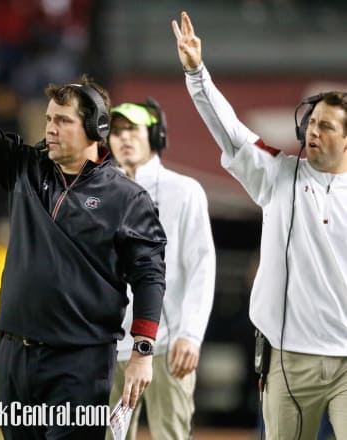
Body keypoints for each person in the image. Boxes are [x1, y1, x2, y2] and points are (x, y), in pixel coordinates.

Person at [0, 16, 167, 440]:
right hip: (15, 351)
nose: (50, 127)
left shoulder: (127, 198)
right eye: (49, 118)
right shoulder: (26, 168)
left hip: (80, 360)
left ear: (96, 129)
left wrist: (142, 350)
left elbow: (149, 275)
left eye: (63, 121)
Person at [173, 11, 347, 439]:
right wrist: (197, 73)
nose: (312, 130)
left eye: (326, 125)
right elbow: (229, 130)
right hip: (287, 359)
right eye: (311, 121)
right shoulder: (277, 174)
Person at [105, 100, 216, 439]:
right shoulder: (101, 191)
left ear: (154, 134)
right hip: (109, 345)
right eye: (117, 131)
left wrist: (191, 334)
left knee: (171, 435)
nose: (124, 138)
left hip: (167, 345)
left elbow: (201, 264)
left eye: (133, 129)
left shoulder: (184, 191)